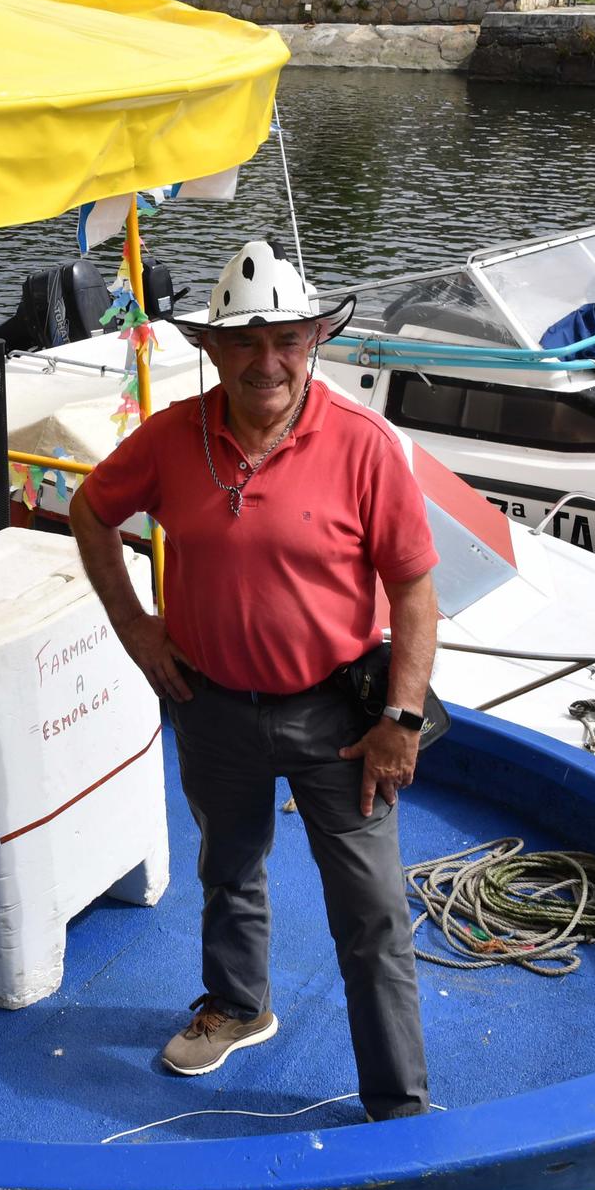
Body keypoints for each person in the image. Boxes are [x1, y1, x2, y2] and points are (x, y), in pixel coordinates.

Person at [68, 236, 439, 1122]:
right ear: (212, 348)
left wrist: (403, 717)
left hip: (340, 719)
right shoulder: (168, 438)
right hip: (211, 705)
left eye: (288, 338)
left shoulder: (363, 444)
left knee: (373, 912)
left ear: (313, 340)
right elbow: (89, 509)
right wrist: (133, 624)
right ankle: (238, 1004)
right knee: (228, 865)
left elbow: (416, 586)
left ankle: (398, 1104)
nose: (266, 360)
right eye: (244, 340)